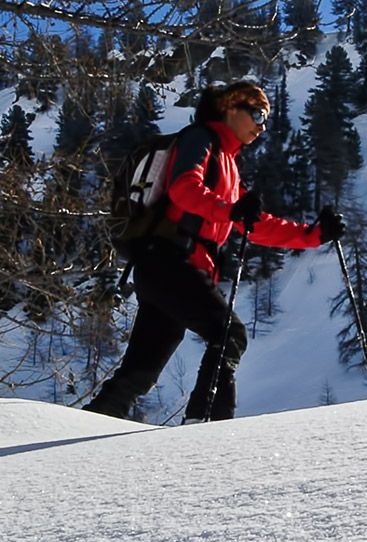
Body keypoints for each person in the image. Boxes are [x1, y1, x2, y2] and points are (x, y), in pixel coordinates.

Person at [86, 80, 344, 422]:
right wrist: (230, 210)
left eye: (265, 117)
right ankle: (207, 425)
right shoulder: (200, 139)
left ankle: (87, 427)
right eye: (257, 113)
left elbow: (252, 224)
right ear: (230, 109)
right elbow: (184, 189)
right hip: (169, 261)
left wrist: (313, 235)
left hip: (165, 266)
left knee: (142, 369)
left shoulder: (229, 164)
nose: (262, 125)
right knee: (228, 334)